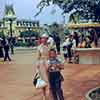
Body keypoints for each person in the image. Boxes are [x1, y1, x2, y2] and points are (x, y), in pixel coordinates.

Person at [35, 34, 49, 100]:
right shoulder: (39, 47)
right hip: (42, 65)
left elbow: (53, 55)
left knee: (50, 81)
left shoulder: (50, 46)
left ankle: (50, 95)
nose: (43, 39)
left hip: (49, 64)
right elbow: (38, 57)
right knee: (43, 81)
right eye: (42, 38)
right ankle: (44, 96)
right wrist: (37, 67)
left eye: (45, 38)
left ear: (47, 39)